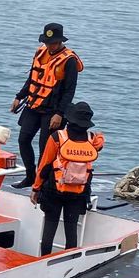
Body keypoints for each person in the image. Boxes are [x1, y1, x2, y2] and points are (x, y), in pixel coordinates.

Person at [11, 23, 83, 189]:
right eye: (47, 42)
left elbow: (70, 90)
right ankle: (30, 176)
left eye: (53, 43)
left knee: (46, 149)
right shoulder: (40, 53)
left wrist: (59, 114)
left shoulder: (69, 60)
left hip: (53, 111)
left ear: (60, 42)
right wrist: (19, 97)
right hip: (34, 105)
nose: (50, 46)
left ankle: (42, 184)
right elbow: (32, 78)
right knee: (23, 139)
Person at [32, 100, 104, 256]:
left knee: (49, 229)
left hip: (54, 190)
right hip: (79, 192)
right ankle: (70, 261)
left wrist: (36, 189)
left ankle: (44, 260)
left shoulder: (57, 137)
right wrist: (99, 137)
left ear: (70, 119)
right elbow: (100, 143)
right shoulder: (92, 139)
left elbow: (44, 165)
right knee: (71, 231)